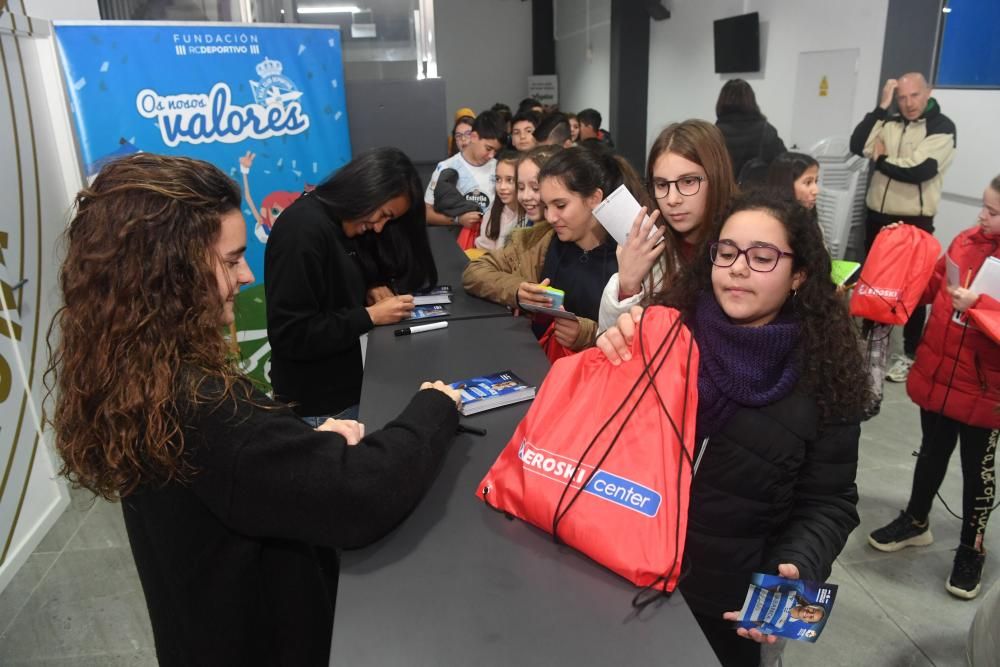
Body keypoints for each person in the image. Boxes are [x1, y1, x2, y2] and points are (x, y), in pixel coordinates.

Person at [47, 153, 463, 666]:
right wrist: (434, 407)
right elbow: (361, 496)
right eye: (229, 260)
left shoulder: (137, 374)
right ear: (166, 272)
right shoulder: (205, 406)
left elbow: (242, 476)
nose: (245, 276)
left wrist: (314, 445)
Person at [598, 190, 867, 667]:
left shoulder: (825, 375)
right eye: (726, 253)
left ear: (799, 275)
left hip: (724, 603)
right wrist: (617, 347)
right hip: (619, 571)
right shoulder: (666, 332)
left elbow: (829, 502)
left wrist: (797, 565)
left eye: (762, 257)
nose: (738, 268)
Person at [867, 175, 1000, 600]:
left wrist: (979, 308)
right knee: (930, 453)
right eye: (984, 205)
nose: (982, 215)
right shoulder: (966, 240)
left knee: (978, 473)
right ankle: (917, 520)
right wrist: (899, 252)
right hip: (941, 375)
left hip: (985, 390)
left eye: (993, 211)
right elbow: (932, 285)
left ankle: (970, 549)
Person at [266, 147, 436, 421]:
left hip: (347, 389)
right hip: (320, 407)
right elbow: (291, 334)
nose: (379, 227)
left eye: (389, 220)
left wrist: (370, 285)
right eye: (382, 214)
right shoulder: (301, 231)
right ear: (366, 191)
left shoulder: (340, 224)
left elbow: (338, 278)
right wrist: (369, 316)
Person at [464, 144, 648, 352]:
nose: (550, 217)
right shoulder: (537, 241)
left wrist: (585, 334)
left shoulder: (630, 257)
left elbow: (639, 337)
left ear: (594, 199)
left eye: (560, 206)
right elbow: (475, 271)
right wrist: (518, 290)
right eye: (546, 205)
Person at [849, 72, 957, 383]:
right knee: (874, 286)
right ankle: (869, 349)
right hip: (878, 217)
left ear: (929, 92)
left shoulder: (941, 127)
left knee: (914, 290)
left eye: (915, 95)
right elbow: (859, 144)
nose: (908, 104)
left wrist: (881, 161)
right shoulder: (890, 120)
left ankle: (909, 353)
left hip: (914, 221)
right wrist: (881, 108)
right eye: (901, 97)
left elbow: (921, 170)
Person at [599, 119, 736, 331]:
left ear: (717, 178)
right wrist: (627, 286)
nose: (672, 199)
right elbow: (609, 339)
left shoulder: (744, 247)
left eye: (688, 181)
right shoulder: (647, 247)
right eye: (662, 185)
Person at [424, 110, 508, 227]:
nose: (491, 155)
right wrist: (457, 220)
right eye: (488, 148)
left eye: (496, 151)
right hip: (457, 241)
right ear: (473, 137)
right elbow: (426, 213)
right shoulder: (446, 168)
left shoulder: (499, 168)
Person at [714, 79, 786, 183]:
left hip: (723, 195)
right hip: (756, 195)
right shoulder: (767, 130)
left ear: (721, 101)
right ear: (751, 100)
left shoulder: (713, 133)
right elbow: (784, 165)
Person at [475, 149, 523, 251]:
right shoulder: (493, 211)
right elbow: (484, 252)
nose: (502, 187)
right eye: (498, 179)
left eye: (509, 180)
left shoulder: (530, 216)